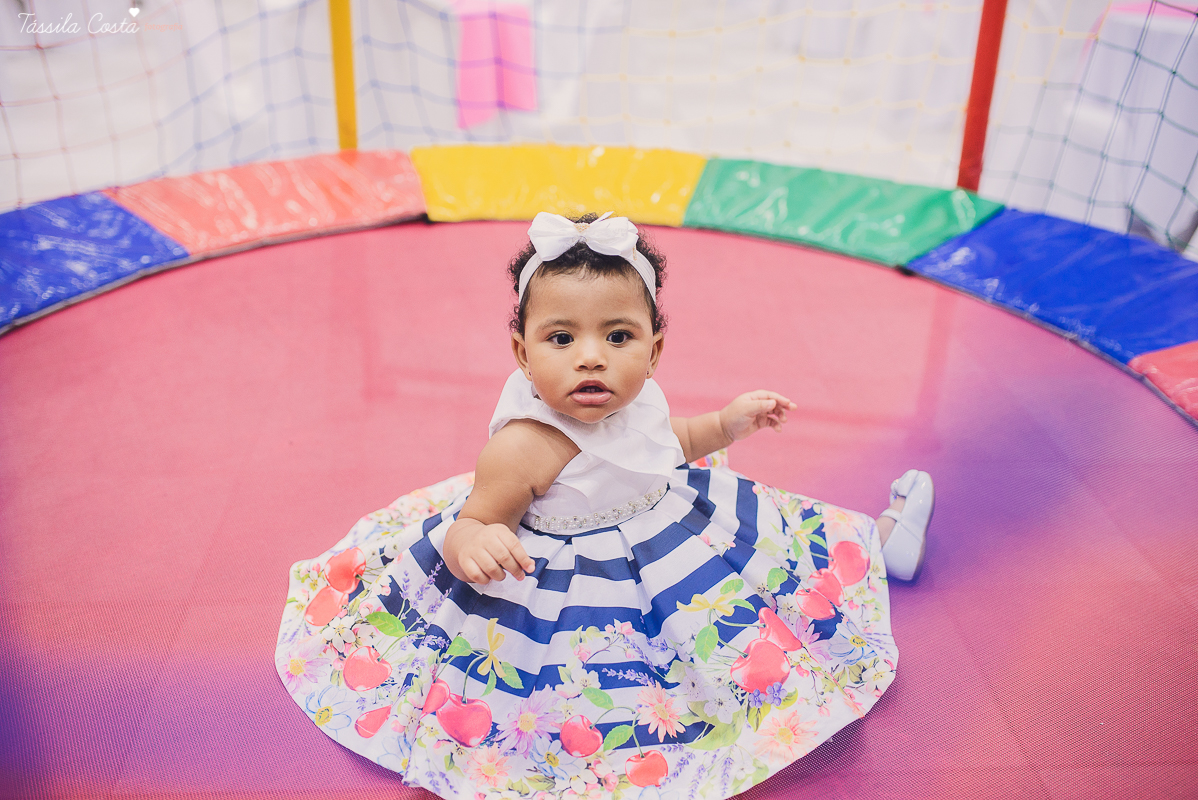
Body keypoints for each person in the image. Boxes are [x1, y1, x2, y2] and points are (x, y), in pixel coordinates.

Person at [275, 211, 935, 800]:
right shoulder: (527, 446)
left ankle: (875, 547)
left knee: (776, 571)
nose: (591, 357)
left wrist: (729, 425)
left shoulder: (638, 398)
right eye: (561, 339)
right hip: (569, 582)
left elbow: (667, 443)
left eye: (617, 337)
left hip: (669, 530)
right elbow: (473, 518)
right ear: (521, 352)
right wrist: (474, 541)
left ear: (653, 350)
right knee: (606, 690)